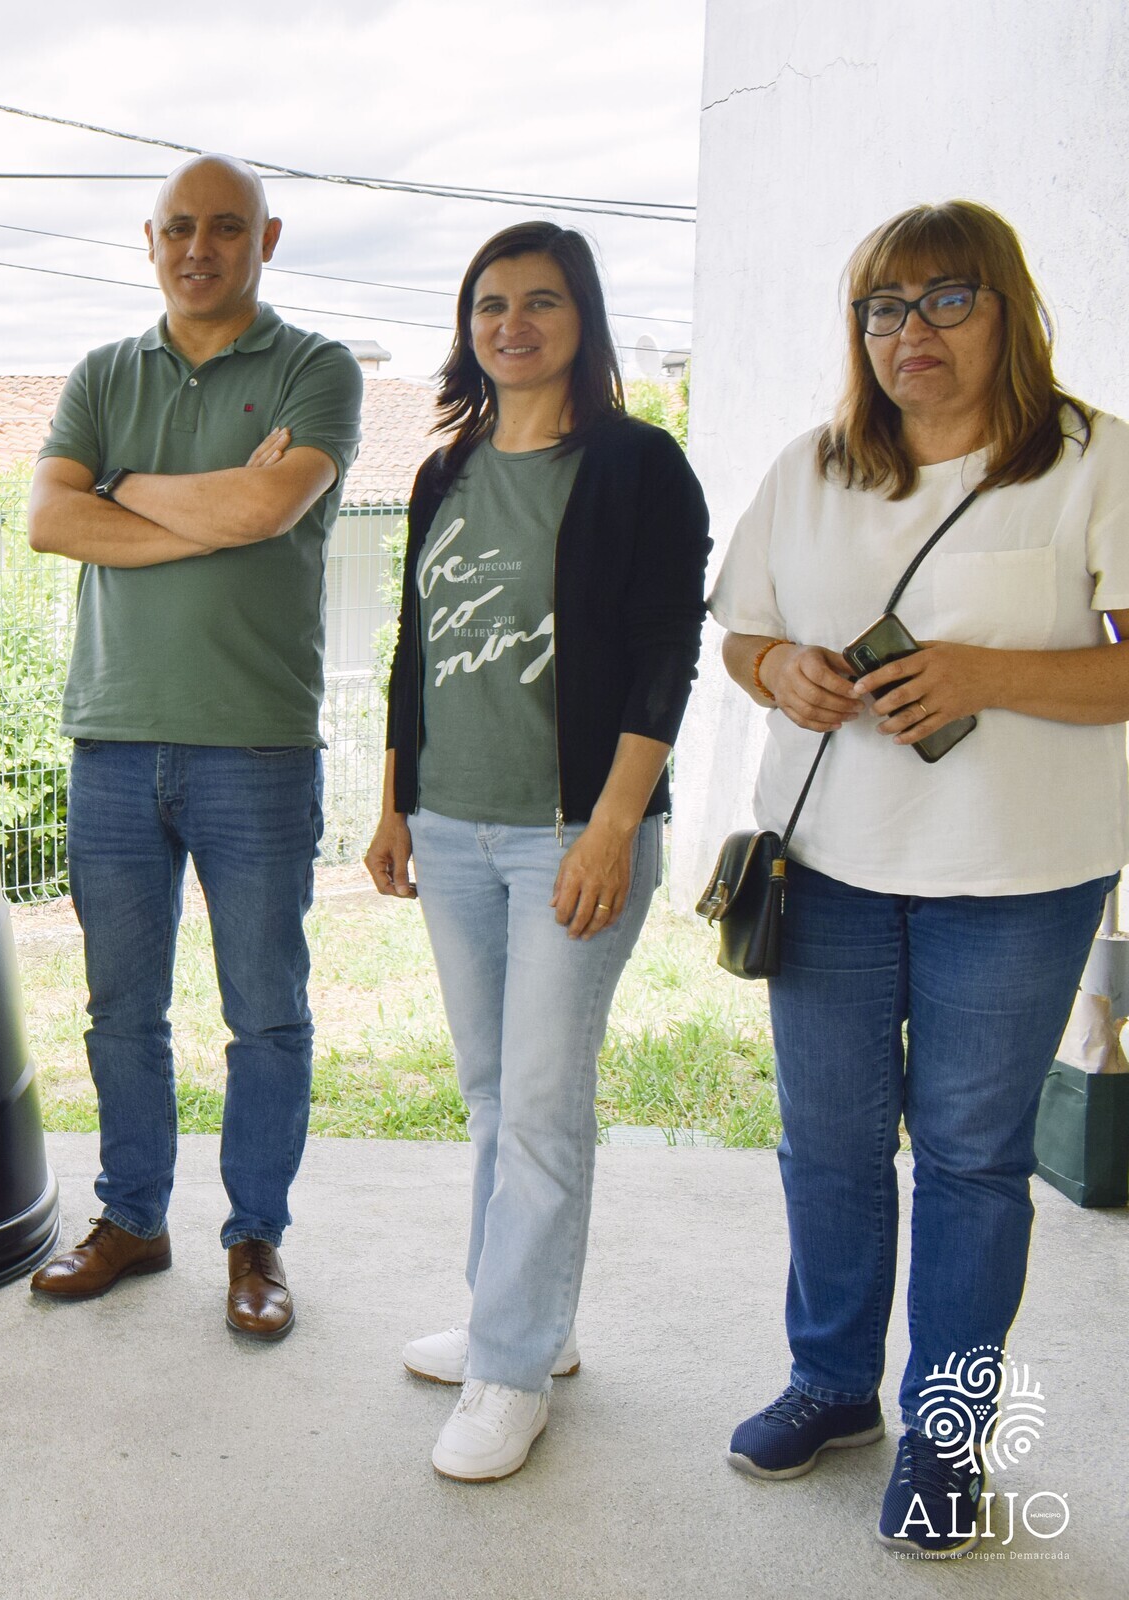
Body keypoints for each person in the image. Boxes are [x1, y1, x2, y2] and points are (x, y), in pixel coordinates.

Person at [709, 200, 1129, 1557]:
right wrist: (783, 671)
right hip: (826, 869)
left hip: (1019, 878)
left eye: (946, 300)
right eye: (884, 309)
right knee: (827, 1147)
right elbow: (743, 635)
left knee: (968, 1163)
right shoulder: (816, 468)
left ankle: (948, 1439)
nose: (912, 333)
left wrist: (987, 674)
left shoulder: (1090, 462)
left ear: (1008, 308)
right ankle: (832, 1388)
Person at [366, 222, 709, 1481]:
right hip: (452, 827)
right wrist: (393, 801)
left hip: (574, 829)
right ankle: (523, 1324)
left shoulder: (637, 466)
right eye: (491, 302)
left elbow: (665, 653)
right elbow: (416, 647)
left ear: (585, 319)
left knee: (547, 1108)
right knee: (497, 1093)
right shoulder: (444, 471)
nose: (513, 322)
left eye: (542, 301)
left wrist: (614, 826)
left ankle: (510, 1371)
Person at [23, 155, 364, 1340]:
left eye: (227, 228)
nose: (199, 247)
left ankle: (255, 1237)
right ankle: (133, 1218)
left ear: (269, 238)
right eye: (179, 228)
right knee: (122, 1010)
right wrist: (197, 505)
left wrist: (127, 491)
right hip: (114, 741)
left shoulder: (316, 368)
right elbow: (49, 519)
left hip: (256, 747)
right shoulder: (104, 373)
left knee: (264, 1011)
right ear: (150, 239)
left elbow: (267, 513)